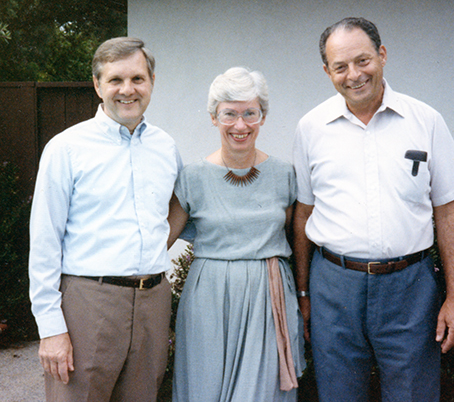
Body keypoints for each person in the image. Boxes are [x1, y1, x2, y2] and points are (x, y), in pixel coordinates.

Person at [292, 17, 454, 401]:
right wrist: (305, 292)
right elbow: (303, 214)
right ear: (327, 71)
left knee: (413, 395)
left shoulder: (425, 121)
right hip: (334, 288)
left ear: (382, 55)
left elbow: (448, 211)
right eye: (340, 67)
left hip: (409, 289)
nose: (353, 75)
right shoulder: (311, 128)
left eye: (363, 61)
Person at [29, 37, 182, 401]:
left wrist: (151, 250)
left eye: (137, 79)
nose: (127, 90)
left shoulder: (166, 147)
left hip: (152, 304)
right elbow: (45, 240)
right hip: (87, 302)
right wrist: (51, 328)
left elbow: (180, 208)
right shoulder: (67, 148)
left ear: (152, 82)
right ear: (97, 85)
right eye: (115, 80)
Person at [167, 67, 305, 402]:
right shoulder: (192, 177)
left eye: (249, 113)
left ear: (263, 117)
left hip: (268, 295)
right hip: (208, 299)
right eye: (229, 114)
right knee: (205, 389)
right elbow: (159, 240)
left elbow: (293, 238)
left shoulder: (285, 175)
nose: (240, 125)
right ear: (214, 117)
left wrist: (302, 295)